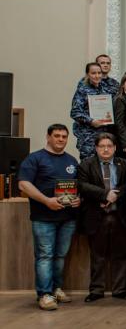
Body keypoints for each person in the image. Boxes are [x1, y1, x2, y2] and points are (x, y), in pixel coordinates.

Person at [17, 124, 81, 310]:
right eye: (57, 136)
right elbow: (23, 185)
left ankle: (56, 289)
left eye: (64, 136)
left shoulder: (71, 161)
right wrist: (46, 201)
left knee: (60, 256)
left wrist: (78, 200)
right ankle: (44, 294)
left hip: (68, 218)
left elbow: (77, 186)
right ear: (48, 137)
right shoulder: (35, 159)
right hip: (43, 218)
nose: (61, 139)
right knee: (45, 256)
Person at [77, 133, 126, 302]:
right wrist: (104, 195)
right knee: (97, 255)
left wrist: (116, 195)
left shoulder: (125, 164)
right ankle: (96, 290)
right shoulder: (86, 164)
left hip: (120, 216)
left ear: (115, 148)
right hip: (96, 216)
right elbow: (82, 185)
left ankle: (120, 290)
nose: (106, 149)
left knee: (121, 255)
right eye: (102, 146)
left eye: (109, 146)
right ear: (96, 148)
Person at [71, 62, 112, 160]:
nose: (97, 76)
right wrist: (91, 121)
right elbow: (75, 112)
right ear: (87, 74)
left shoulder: (105, 89)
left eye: (99, 73)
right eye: (93, 73)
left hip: (103, 135)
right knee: (88, 165)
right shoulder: (82, 90)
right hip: (88, 136)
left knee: (103, 164)